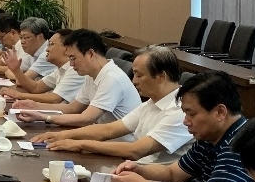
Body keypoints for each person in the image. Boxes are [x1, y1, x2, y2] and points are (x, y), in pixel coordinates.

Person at [106, 72, 255, 182]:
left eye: (191, 114)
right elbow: (174, 173)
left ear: (220, 112)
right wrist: (139, 170)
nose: (186, 121)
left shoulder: (241, 144)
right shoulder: (210, 137)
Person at [32, 46, 192, 163]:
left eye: (139, 75)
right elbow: (108, 130)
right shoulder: (151, 103)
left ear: (161, 76)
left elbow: (135, 150)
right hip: (135, 170)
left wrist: (79, 144)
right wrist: (61, 136)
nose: (134, 81)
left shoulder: (180, 111)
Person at [16, 29, 140, 128]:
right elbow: (72, 108)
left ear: (90, 54)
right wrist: (34, 106)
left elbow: (86, 118)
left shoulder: (111, 78)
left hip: (120, 145)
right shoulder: (92, 75)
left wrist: (45, 117)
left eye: (73, 58)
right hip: (102, 138)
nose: (70, 64)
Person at [1, 29, 85, 105]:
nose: (47, 49)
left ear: (66, 47)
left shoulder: (75, 70)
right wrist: (16, 70)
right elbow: (36, 87)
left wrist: (19, 95)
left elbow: (55, 98)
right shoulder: (60, 69)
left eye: (51, 44)